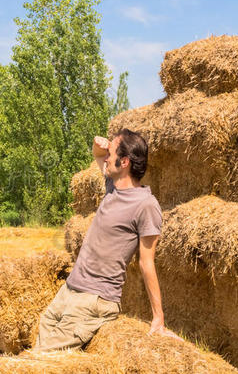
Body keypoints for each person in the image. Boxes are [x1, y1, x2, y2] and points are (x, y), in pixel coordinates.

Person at [33, 128, 182, 351]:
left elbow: (147, 262)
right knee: (38, 350)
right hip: (69, 290)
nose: (106, 158)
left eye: (111, 154)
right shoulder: (113, 187)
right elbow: (98, 155)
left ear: (124, 162)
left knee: (42, 360)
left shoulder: (146, 205)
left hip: (94, 300)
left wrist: (158, 319)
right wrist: (99, 144)